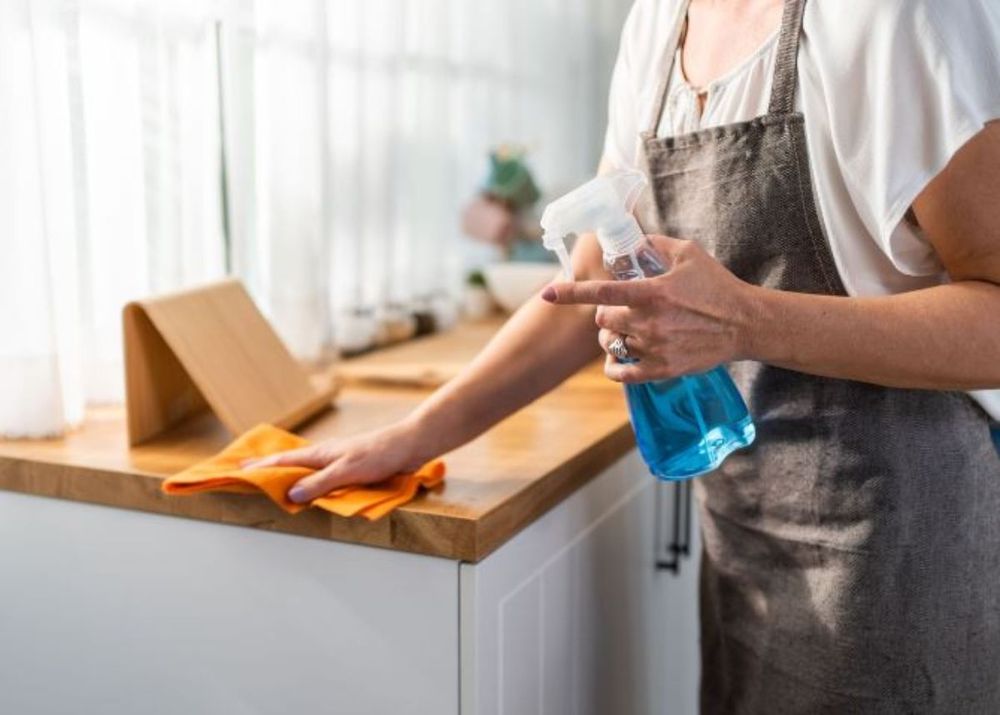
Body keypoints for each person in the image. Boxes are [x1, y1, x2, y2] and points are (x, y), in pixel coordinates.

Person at [246, 0, 1000, 711]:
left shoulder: (896, 18)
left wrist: (747, 319)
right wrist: (411, 436)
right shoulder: (657, 26)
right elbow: (589, 284)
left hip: (901, 552)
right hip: (742, 534)